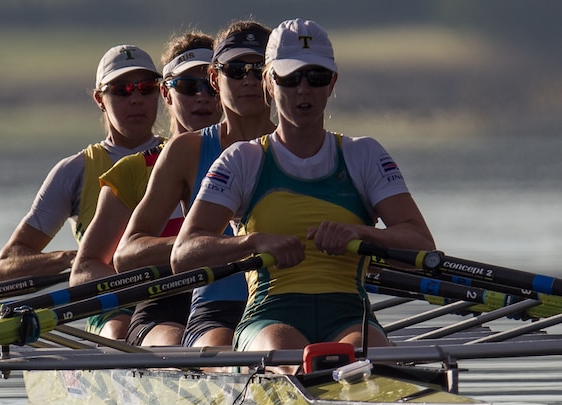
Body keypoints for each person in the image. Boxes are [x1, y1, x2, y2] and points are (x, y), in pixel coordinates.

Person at [170, 19, 435, 356]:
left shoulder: (363, 154)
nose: (303, 90)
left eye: (316, 77)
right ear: (269, 81)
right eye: (290, 78)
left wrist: (363, 236)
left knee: (361, 355)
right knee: (292, 356)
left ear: (332, 82)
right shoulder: (242, 160)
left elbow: (422, 244)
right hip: (270, 316)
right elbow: (183, 255)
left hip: (351, 315)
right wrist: (254, 242)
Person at [114, 20, 275, 348]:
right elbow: (127, 256)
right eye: (236, 70)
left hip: (287, 306)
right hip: (218, 310)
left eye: (258, 70)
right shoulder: (187, 151)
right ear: (217, 78)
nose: (248, 80)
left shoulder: (304, 144)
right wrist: (216, 245)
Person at [0, 44, 163, 339]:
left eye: (146, 88)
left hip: (175, 294)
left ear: (160, 93)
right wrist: (72, 259)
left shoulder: (182, 155)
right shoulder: (74, 171)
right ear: (100, 98)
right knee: (120, 330)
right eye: (122, 90)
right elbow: (8, 268)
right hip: (111, 305)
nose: (136, 98)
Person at [70, 31, 223, 345]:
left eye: (209, 86)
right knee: (175, 343)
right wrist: (193, 250)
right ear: (166, 94)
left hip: (235, 301)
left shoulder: (252, 159)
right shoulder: (134, 170)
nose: (202, 97)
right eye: (188, 86)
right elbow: (84, 270)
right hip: (164, 302)